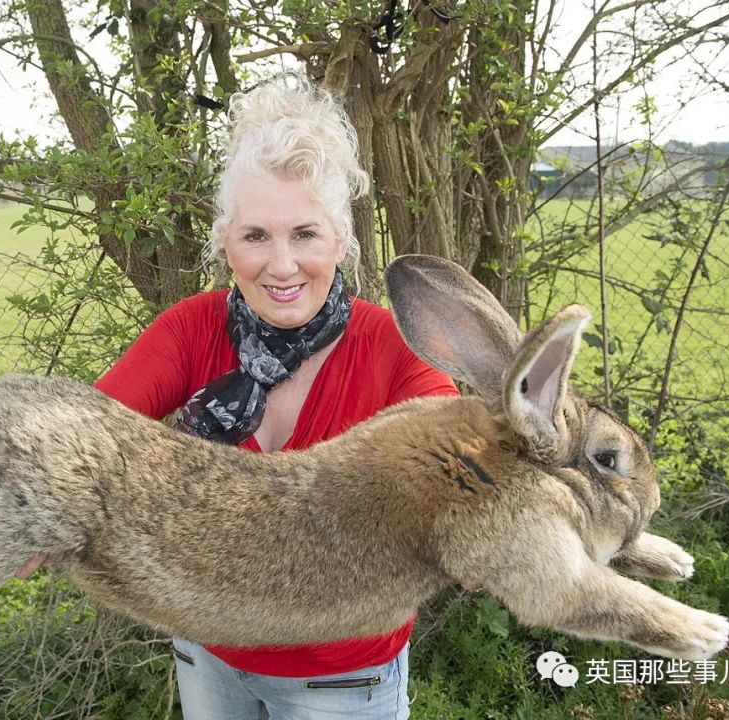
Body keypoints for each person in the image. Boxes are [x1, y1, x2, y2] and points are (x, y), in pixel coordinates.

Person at [87, 74, 459, 719]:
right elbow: (78, 439)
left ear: (341, 239)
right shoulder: (190, 329)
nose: (281, 265)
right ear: (226, 241)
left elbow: (459, 473)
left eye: (305, 235)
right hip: (208, 651)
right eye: (256, 236)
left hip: (342, 677)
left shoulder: (395, 349)